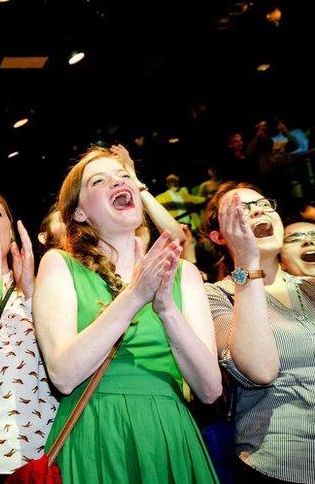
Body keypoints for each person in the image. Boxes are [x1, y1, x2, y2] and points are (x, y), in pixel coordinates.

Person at [34, 147, 222, 483]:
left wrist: (165, 309)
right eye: (99, 181)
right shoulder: (60, 265)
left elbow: (210, 390)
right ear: (78, 213)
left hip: (168, 433)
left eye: (123, 177)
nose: (117, 183)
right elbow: (63, 373)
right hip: (96, 432)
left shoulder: (184, 275)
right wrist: (134, 295)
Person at [202, 184, 315, 483]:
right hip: (280, 465)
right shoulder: (216, 295)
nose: (259, 210)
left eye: (264, 204)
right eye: (242, 210)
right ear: (219, 236)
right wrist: (246, 262)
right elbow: (260, 371)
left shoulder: (309, 285)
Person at [0, 189, 57, 480]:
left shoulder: (42, 288)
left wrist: (31, 293)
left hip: (39, 451)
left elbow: (62, 361)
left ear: (10, 226)